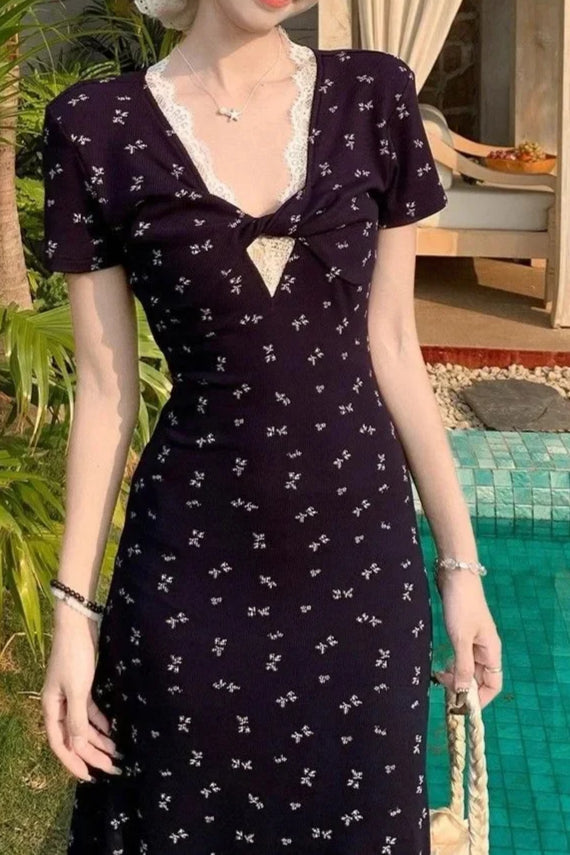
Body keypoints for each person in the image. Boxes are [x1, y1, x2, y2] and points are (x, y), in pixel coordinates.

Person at [40, 0, 503, 852]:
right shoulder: (96, 127)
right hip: (190, 566)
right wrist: (74, 615)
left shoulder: (375, 95)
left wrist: (461, 568)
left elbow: (396, 346)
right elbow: (106, 392)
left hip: (362, 573)